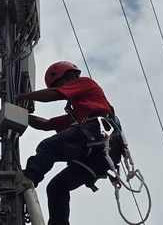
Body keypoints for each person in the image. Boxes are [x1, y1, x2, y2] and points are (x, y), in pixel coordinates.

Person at [16, 61, 125, 225]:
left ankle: (29, 177)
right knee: (57, 188)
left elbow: (53, 94)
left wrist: (21, 97)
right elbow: (46, 125)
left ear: (69, 76)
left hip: (98, 136)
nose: (62, 89)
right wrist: (19, 112)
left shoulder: (85, 83)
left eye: (60, 84)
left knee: (49, 146)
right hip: (100, 157)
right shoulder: (82, 112)